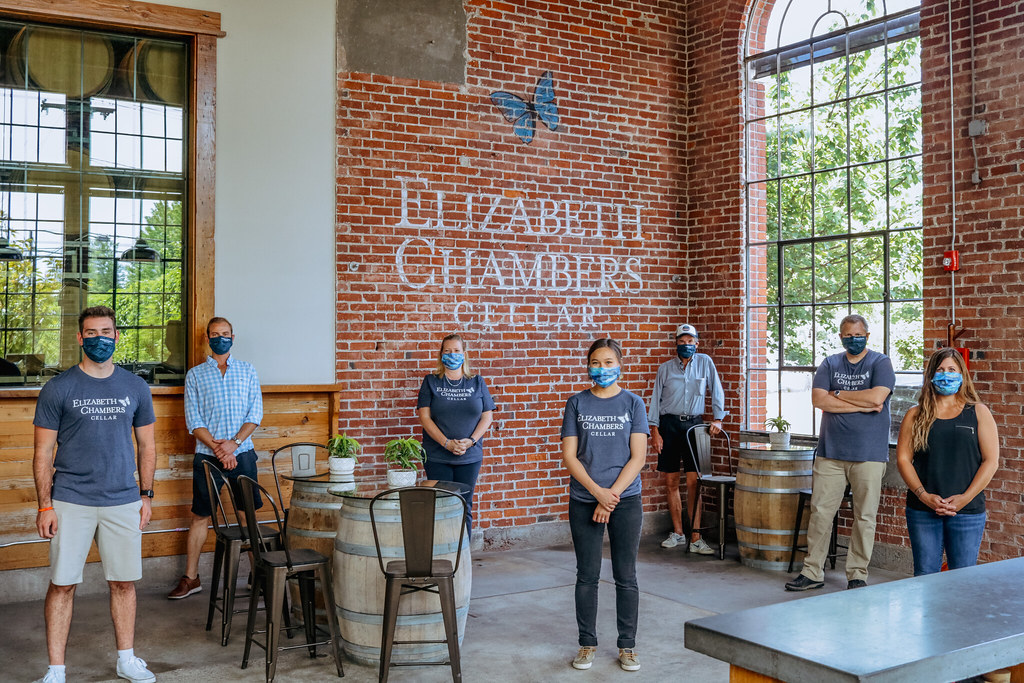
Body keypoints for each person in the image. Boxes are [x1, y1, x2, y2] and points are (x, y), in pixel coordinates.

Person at [32, 306, 157, 683]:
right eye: (91, 332)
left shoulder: (135, 387)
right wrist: (45, 504)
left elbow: (147, 447)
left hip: (123, 499)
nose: (99, 338)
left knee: (123, 582)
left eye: (106, 331)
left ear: (117, 336)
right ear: (79, 338)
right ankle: (56, 670)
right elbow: (42, 453)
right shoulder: (58, 388)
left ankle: (126, 659)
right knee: (63, 584)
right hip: (71, 500)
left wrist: (146, 495)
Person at [785, 314, 894, 591]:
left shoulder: (880, 362)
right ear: (841, 337)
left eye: (858, 335)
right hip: (830, 453)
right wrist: (862, 403)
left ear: (867, 336)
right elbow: (818, 399)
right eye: (848, 335)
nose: (853, 339)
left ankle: (857, 574)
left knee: (865, 516)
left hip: (869, 454)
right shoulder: (830, 362)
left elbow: (877, 398)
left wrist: (840, 394)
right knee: (821, 513)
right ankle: (812, 572)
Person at [561, 338, 648, 672]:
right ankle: (587, 643)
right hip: (585, 498)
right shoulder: (576, 403)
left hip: (625, 500)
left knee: (626, 575)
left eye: (609, 362)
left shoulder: (633, 403)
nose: (602, 368)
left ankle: (627, 646)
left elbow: (638, 457)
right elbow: (570, 456)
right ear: (588, 365)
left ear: (620, 364)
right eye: (596, 362)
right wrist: (597, 492)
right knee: (587, 575)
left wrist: (609, 498)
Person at [168, 316, 263, 599]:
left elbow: (254, 414)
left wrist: (233, 445)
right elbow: (193, 420)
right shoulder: (195, 375)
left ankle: (256, 573)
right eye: (215, 334)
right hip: (207, 456)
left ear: (233, 337)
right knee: (200, 516)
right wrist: (219, 449)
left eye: (225, 333)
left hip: (242, 453)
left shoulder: (247, 371)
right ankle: (191, 578)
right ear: (207, 338)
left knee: (247, 515)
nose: (220, 338)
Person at [896, 348, 999, 576]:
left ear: (962, 374)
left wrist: (965, 498)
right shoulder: (915, 415)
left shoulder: (978, 412)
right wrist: (923, 495)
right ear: (931, 375)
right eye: (940, 370)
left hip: (967, 510)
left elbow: (991, 461)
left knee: (962, 579)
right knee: (924, 575)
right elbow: (903, 459)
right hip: (922, 509)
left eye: (952, 369)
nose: (946, 375)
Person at [648, 323, 727, 555]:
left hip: (696, 426)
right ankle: (678, 533)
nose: (686, 345)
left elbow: (717, 390)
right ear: (676, 344)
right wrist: (654, 430)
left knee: (695, 482)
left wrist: (718, 419)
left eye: (689, 341)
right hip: (669, 425)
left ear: (697, 343)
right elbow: (655, 399)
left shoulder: (705, 363)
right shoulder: (664, 369)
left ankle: (696, 537)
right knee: (671, 482)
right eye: (681, 342)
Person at [417, 333, 494, 536]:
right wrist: (446, 443)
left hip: (470, 456)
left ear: (464, 354)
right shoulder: (431, 381)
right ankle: (442, 555)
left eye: (457, 351)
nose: (453, 355)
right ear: (441, 354)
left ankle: (462, 558)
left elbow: (487, 417)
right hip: (437, 456)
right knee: (442, 505)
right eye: (448, 351)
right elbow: (425, 418)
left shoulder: (477, 382)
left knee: (464, 505)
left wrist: (471, 441)